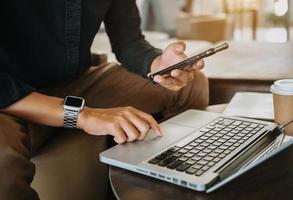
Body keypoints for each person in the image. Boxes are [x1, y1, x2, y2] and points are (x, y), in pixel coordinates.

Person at [0, 0, 208, 199]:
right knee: (3, 161)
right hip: (10, 94)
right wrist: (84, 115)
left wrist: (159, 63)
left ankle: (170, 187)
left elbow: (129, 40)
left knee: (191, 85)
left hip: (77, 80)